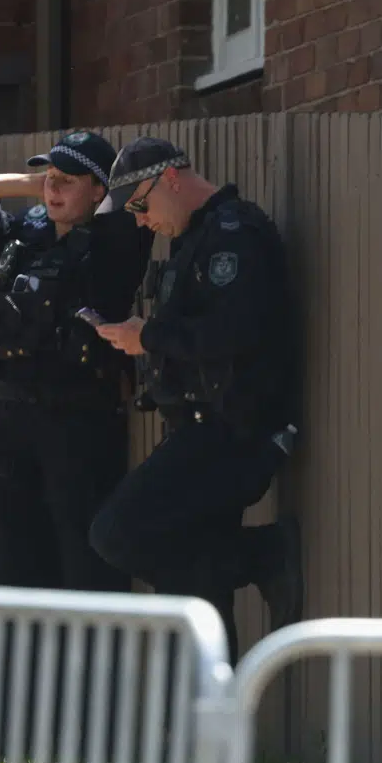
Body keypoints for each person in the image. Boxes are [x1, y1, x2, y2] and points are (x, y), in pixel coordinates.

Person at [94, 137, 304, 661]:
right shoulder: (193, 239)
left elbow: (232, 334)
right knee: (196, 598)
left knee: (116, 533)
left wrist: (149, 338)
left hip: (234, 432)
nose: (140, 222)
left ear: (169, 178)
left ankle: (263, 554)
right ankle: (215, 730)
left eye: (139, 206)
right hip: (200, 426)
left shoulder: (234, 234)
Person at [0, 130, 149, 592]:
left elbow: (131, 200)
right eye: (50, 177)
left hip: (80, 422)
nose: (53, 189)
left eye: (68, 180)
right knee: (10, 564)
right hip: (10, 422)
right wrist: (34, 184)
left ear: (99, 191)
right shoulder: (19, 238)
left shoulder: (116, 241)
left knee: (86, 568)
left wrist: (92, 190)